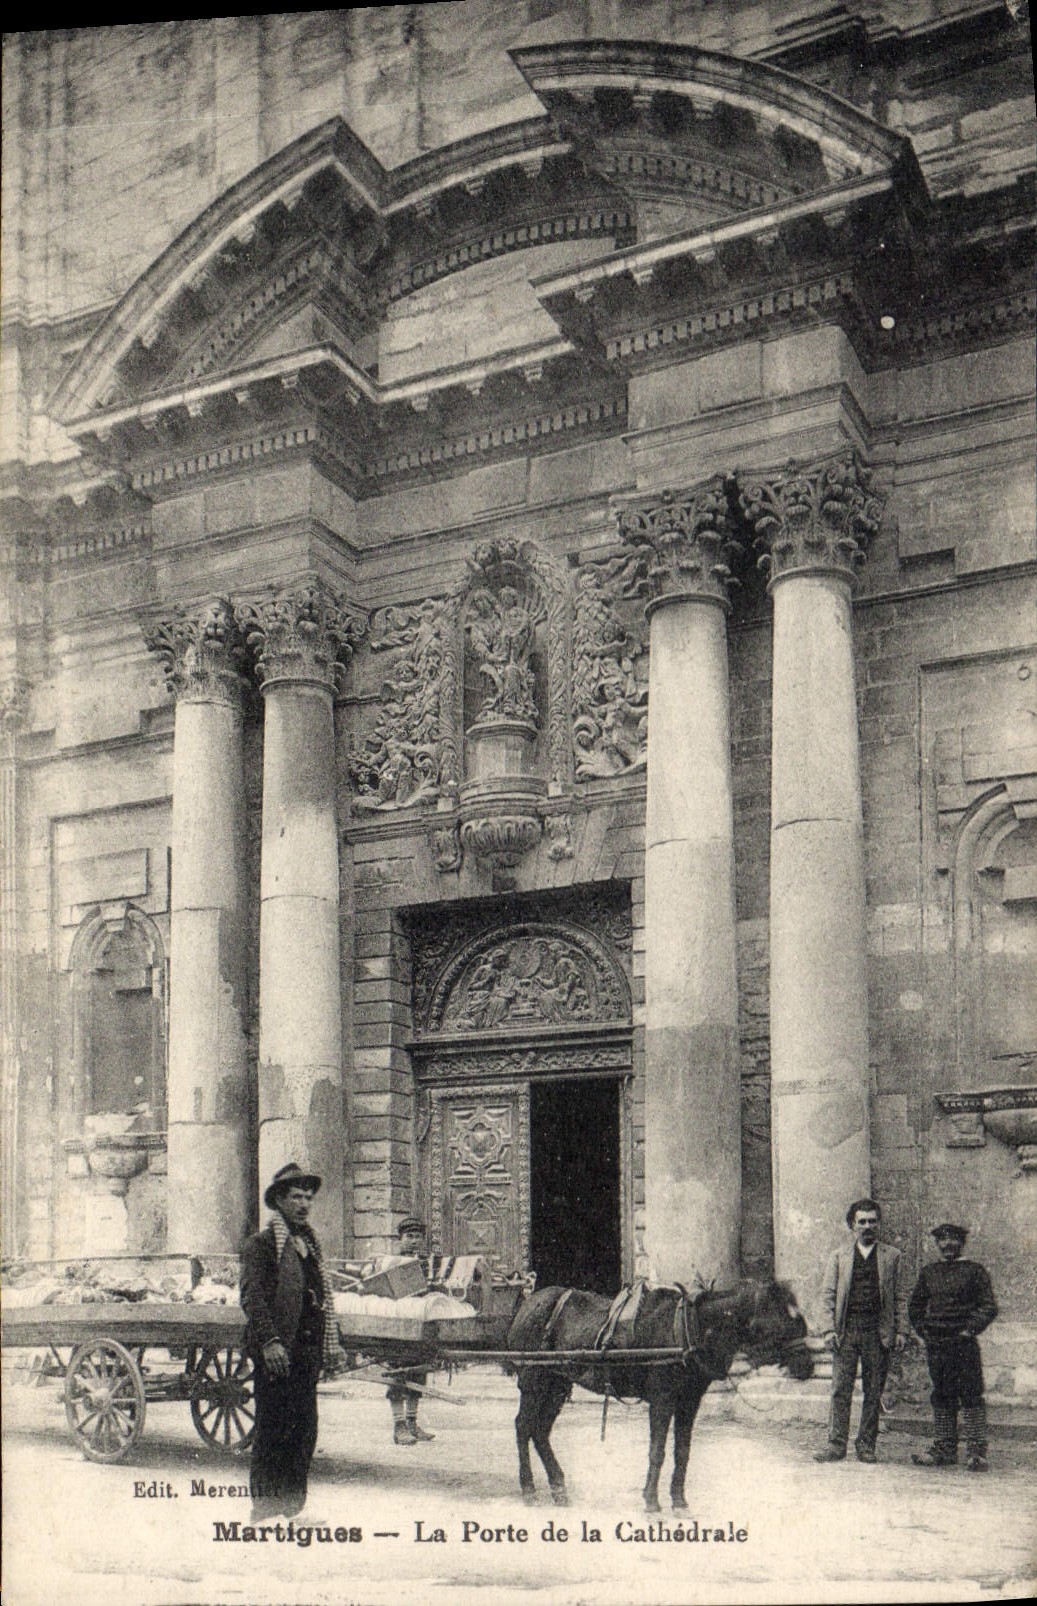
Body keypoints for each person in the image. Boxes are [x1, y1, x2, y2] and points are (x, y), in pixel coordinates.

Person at [240, 1163, 344, 1520]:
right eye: (297, 1197)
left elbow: (321, 1296)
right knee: (273, 1428)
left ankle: (292, 1508)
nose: (304, 1204)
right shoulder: (261, 1245)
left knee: (304, 1431)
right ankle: (264, 1509)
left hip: (305, 1352)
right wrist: (270, 1342)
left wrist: (332, 1343)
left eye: (308, 1198)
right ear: (280, 1201)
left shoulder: (309, 1244)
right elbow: (253, 1299)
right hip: (276, 1352)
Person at [814, 1198, 904, 1464]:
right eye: (862, 1222)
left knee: (873, 1391)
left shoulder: (892, 1256)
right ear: (852, 1225)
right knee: (840, 1389)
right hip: (847, 1331)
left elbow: (900, 1296)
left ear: (879, 1224)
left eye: (872, 1221)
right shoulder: (839, 1256)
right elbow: (827, 1296)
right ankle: (835, 1444)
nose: (867, 1227)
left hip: (877, 1332)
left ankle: (866, 1445)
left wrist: (901, 1331)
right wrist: (828, 1331)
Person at [908, 1223, 998, 1472]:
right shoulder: (929, 1272)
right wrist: (925, 1332)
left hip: (964, 1343)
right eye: (943, 1240)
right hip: (937, 1345)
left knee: (971, 1394)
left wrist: (969, 1330)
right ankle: (944, 1449)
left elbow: (989, 1306)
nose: (948, 1244)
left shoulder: (975, 1271)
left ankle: (976, 1452)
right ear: (937, 1244)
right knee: (942, 1394)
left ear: (962, 1243)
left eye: (954, 1239)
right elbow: (915, 1307)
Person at [382, 1215, 442, 1446]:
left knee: (419, 1372)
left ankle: (412, 1422)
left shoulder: (428, 1263)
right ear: (400, 1239)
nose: (414, 1241)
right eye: (409, 1236)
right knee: (398, 1372)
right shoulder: (392, 1262)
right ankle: (399, 1426)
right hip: (398, 1323)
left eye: (418, 1237)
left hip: (420, 1322)